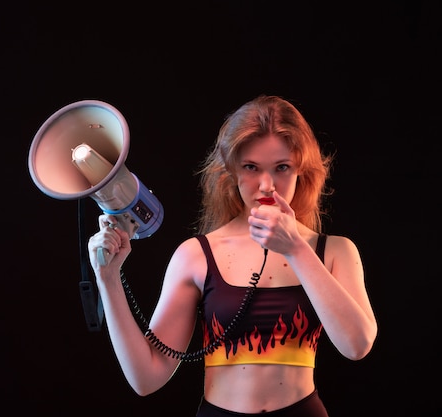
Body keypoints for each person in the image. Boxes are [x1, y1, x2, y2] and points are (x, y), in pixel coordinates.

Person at [87, 95, 378, 416]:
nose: (267, 185)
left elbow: (357, 345)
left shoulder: (335, 251)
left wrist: (296, 248)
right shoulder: (196, 255)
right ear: (232, 171)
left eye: (282, 167)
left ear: (301, 171)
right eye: (251, 167)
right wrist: (108, 279)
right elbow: (146, 377)